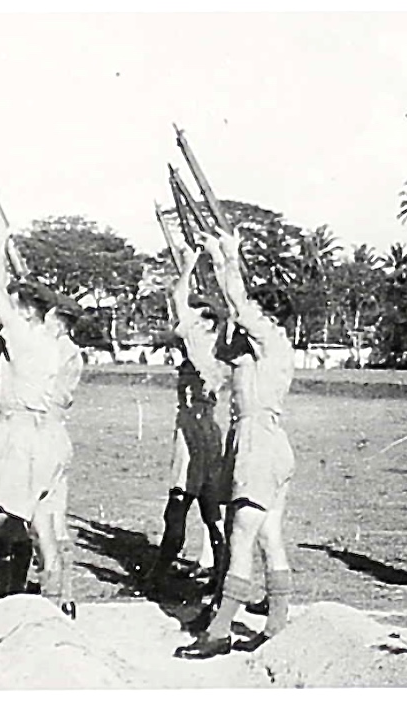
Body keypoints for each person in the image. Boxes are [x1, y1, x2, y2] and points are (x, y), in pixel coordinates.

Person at [176, 231, 296, 660]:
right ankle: (276, 623)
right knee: (268, 536)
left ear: (269, 316)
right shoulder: (258, 351)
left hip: (258, 441)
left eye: (256, 311)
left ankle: (220, 631)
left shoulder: (271, 339)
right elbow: (226, 344)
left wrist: (227, 257)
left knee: (240, 535)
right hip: (262, 440)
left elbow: (239, 303)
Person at [0, 216, 84, 625]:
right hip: (46, 437)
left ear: (29, 312)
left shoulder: (26, 336)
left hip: (18, 437)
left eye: (15, 307)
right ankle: (55, 612)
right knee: (43, 527)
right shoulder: (52, 345)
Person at [131, 243, 230, 597]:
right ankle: (220, 575)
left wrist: (188, 265)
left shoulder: (201, 344)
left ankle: (157, 576)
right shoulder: (215, 347)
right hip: (209, 428)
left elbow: (177, 298)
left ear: (206, 322)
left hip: (192, 429)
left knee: (179, 503)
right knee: (209, 506)